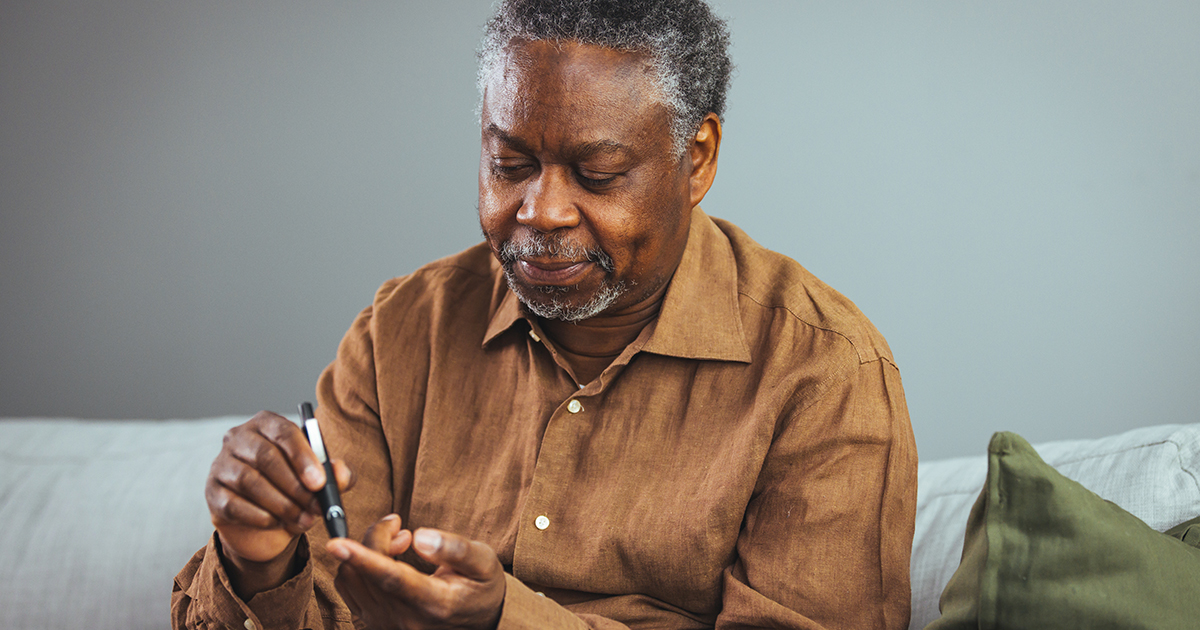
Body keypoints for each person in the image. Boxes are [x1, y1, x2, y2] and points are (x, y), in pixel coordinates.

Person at [172, 1, 917, 628]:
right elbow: (321, 603)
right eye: (509, 165)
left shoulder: (824, 373)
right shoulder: (405, 329)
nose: (541, 211)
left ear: (698, 158)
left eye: (597, 174)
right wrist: (257, 555)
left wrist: (509, 619)